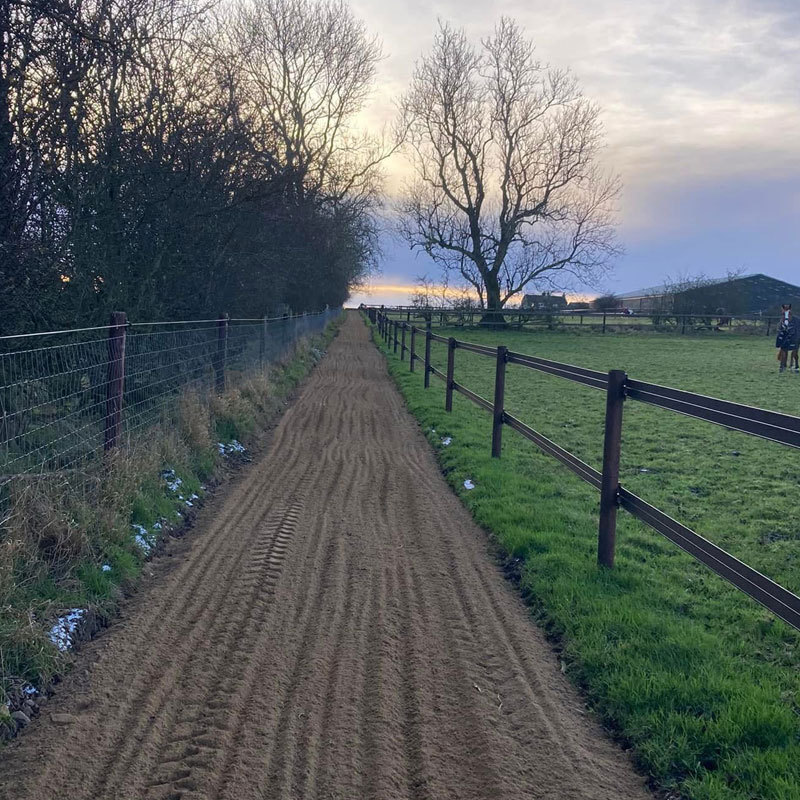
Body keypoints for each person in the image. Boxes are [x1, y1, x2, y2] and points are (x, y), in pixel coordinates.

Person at [775, 304, 799, 373]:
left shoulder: (796, 321)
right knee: (783, 348)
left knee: (795, 349)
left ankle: (795, 365)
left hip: (795, 337)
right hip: (784, 334)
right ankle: (782, 365)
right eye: (783, 314)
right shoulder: (782, 322)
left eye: (789, 314)